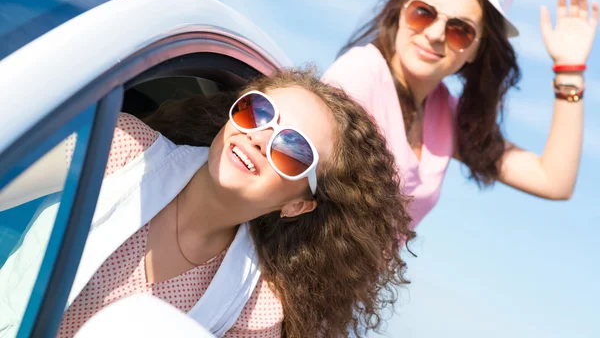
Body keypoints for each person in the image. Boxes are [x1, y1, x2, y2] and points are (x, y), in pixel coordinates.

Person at [0, 69, 415, 338]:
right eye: (257, 113)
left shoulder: (257, 311)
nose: (258, 137)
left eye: (291, 149)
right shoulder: (121, 149)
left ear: (297, 205)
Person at [322, 0, 598, 229]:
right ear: (401, 12)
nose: (435, 33)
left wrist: (569, 69)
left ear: (476, 50)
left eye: (460, 30)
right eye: (423, 12)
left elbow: (553, 181)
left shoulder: (445, 116)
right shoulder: (360, 74)